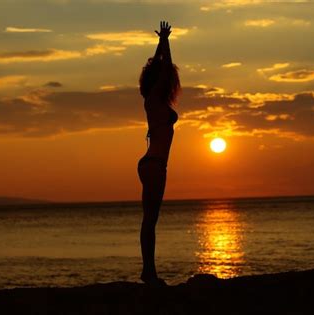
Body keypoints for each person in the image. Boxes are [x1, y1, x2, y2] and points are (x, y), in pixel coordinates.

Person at [137, 21, 181, 286]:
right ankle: (149, 273)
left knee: (150, 220)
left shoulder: (156, 101)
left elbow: (159, 68)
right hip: (154, 165)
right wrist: (165, 42)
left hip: (153, 164)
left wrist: (162, 44)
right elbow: (163, 69)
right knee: (150, 220)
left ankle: (148, 271)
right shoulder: (153, 99)